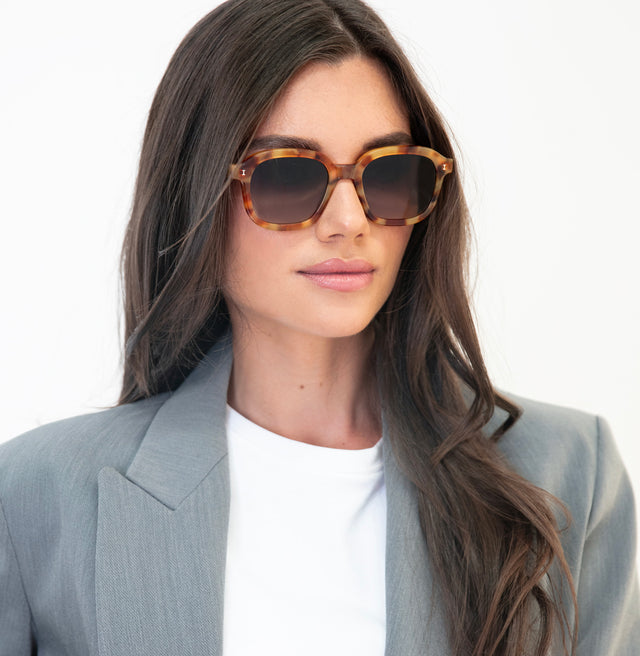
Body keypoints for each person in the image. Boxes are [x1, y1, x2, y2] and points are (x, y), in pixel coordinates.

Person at [0, 0, 638, 654]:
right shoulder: (38, 495)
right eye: (287, 177)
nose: (349, 220)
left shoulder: (568, 478)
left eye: (388, 174)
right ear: (197, 196)